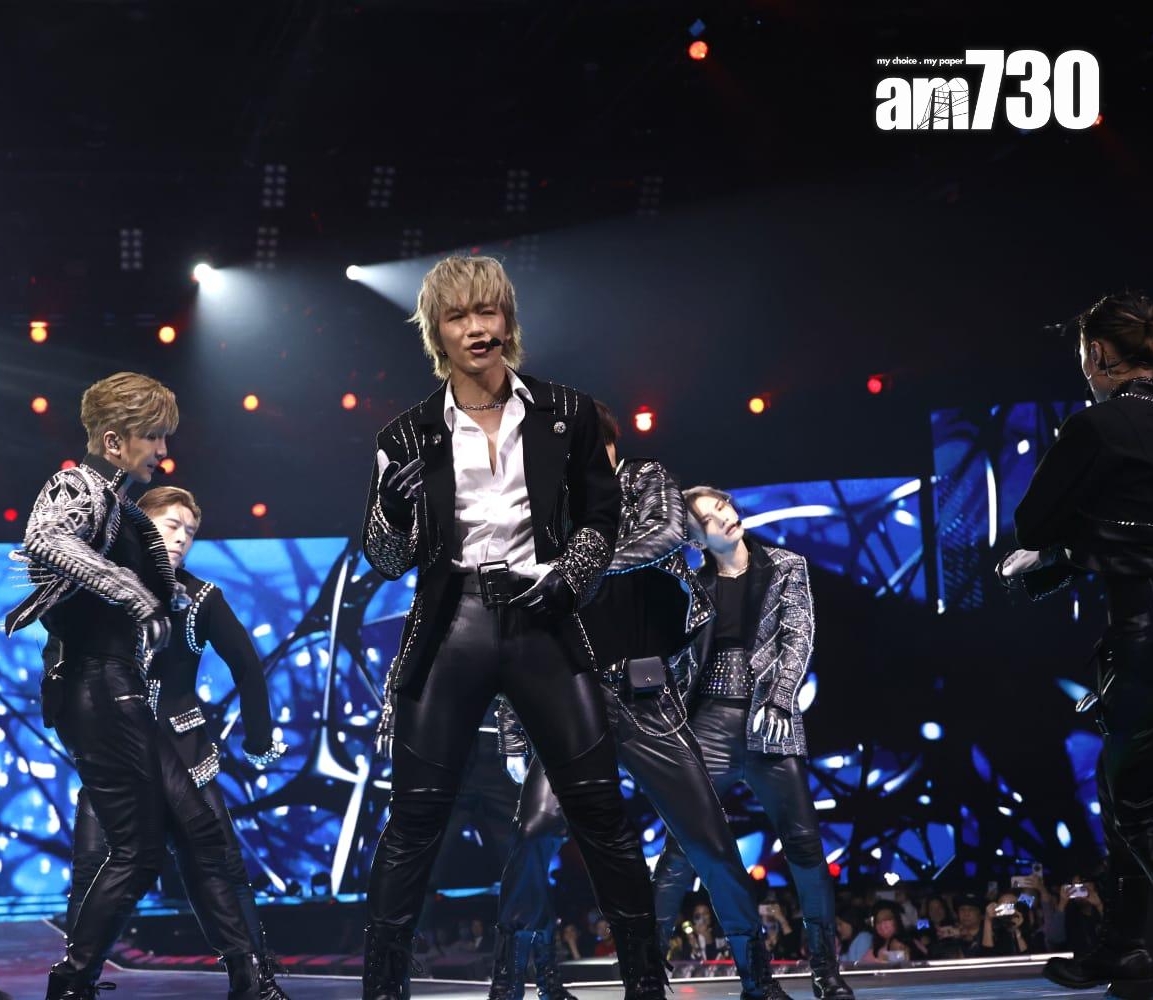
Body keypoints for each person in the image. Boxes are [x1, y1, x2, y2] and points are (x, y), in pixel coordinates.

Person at [359, 255, 665, 999]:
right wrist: (392, 510)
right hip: (452, 624)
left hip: (543, 618)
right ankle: (383, 991)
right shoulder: (406, 434)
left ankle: (647, 987)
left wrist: (568, 576)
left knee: (600, 809)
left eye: (487, 312)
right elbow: (386, 558)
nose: (477, 329)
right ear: (436, 331)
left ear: (508, 320)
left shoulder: (569, 413)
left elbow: (602, 517)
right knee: (414, 820)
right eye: (459, 316)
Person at [489, 401, 795, 1000]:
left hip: (647, 699)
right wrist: (511, 732)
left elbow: (666, 535)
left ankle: (757, 980)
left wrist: (576, 571)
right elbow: (516, 633)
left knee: (709, 841)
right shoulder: (542, 515)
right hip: (572, 701)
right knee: (535, 831)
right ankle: (512, 979)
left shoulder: (645, 478)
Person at [5, 372, 260, 1000]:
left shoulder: (125, 513)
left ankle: (253, 979)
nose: (163, 451)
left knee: (198, 833)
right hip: (96, 690)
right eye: (153, 437)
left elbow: (166, 591)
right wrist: (130, 592)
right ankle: (72, 981)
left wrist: (165, 603)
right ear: (115, 441)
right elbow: (44, 538)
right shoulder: (76, 486)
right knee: (137, 853)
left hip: (122, 691)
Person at [1000, 292, 1153, 995]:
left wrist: (1063, 548)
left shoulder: (1099, 426)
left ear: (1098, 355)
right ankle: (1127, 951)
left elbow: (1034, 523)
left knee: (1140, 805)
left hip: (1149, 638)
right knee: (1120, 790)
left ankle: (1130, 951)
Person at [66, 486, 291, 999]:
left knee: (221, 868)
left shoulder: (201, 598)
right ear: (140, 527)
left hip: (185, 757)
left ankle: (254, 981)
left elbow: (247, 665)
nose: (181, 538)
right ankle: (76, 982)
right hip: (116, 756)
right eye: (171, 525)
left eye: (189, 531)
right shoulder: (99, 591)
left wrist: (259, 739)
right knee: (91, 871)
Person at [653, 487, 853, 1000]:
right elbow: (674, 654)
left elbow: (799, 637)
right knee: (682, 848)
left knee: (805, 844)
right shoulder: (691, 585)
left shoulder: (785, 565)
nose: (725, 516)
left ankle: (826, 972)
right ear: (696, 539)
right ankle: (649, 968)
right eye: (709, 518)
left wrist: (782, 698)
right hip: (709, 724)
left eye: (723, 506)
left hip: (770, 718)